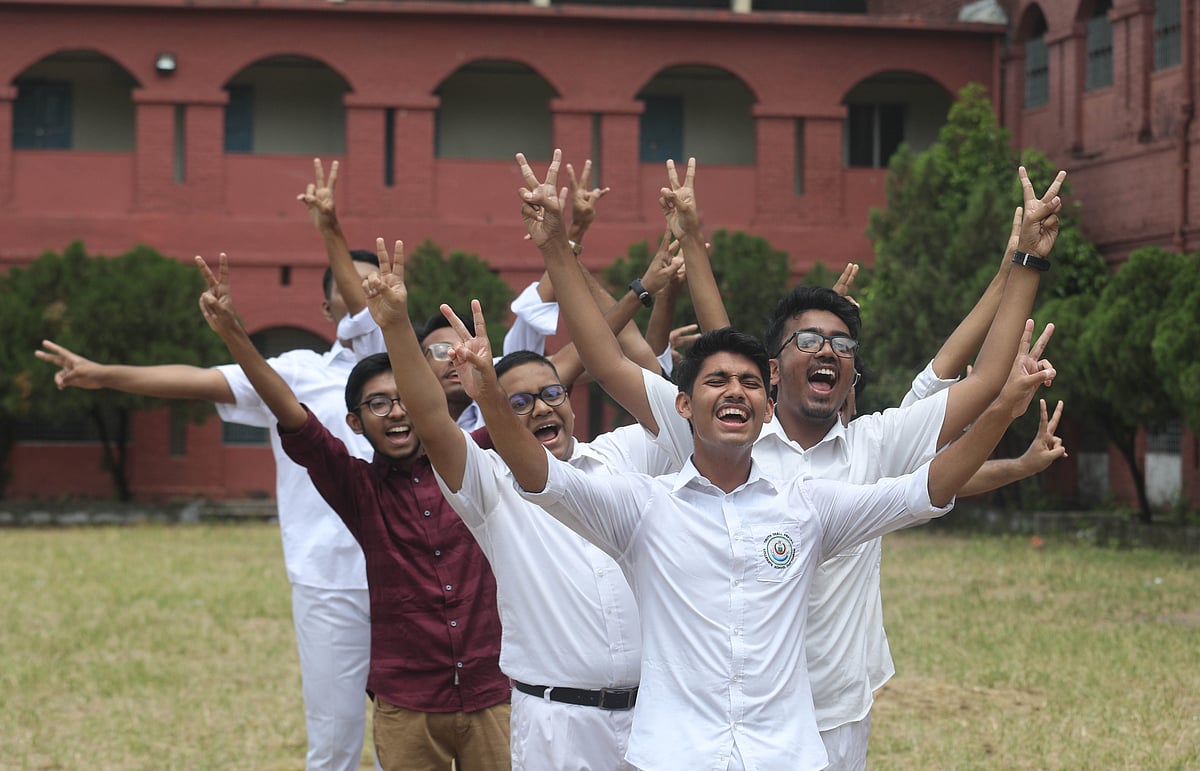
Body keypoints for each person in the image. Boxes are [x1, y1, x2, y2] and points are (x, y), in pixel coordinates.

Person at [518, 149, 1064, 768]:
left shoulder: (875, 446)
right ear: (774, 370)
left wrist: (1026, 263)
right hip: (706, 728)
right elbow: (611, 361)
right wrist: (561, 250)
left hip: (828, 717)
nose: (827, 350)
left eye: (841, 343)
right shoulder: (724, 436)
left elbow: (983, 385)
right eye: (808, 339)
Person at [444, 300, 1054, 770]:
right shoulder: (642, 510)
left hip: (784, 753)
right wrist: (493, 399)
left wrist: (1002, 408)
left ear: (765, 407)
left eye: (750, 384)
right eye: (715, 382)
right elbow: (538, 474)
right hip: (675, 755)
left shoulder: (809, 509)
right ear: (683, 406)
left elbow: (926, 488)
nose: (734, 392)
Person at [36, 248, 385, 771]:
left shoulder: (421, 373)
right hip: (328, 577)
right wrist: (105, 374)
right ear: (326, 307)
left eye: (373, 281)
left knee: (407, 736)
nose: (363, 289)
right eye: (349, 281)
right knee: (335, 740)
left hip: (411, 575)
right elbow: (197, 380)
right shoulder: (295, 373)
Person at [360, 237, 684, 770]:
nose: (540, 408)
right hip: (557, 726)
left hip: (654, 717)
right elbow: (433, 422)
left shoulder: (624, 455)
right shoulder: (490, 487)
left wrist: (567, 251)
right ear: (495, 416)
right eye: (518, 402)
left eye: (551, 393)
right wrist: (396, 325)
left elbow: (645, 378)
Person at [194, 252, 511, 770]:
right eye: (377, 405)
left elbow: (536, 395)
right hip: (407, 704)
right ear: (356, 424)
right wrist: (234, 334)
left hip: (492, 693)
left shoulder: (473, 464)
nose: (397, 412)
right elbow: (292, 415)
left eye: (405, 397)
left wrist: (401, 325)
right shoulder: (358, 491)